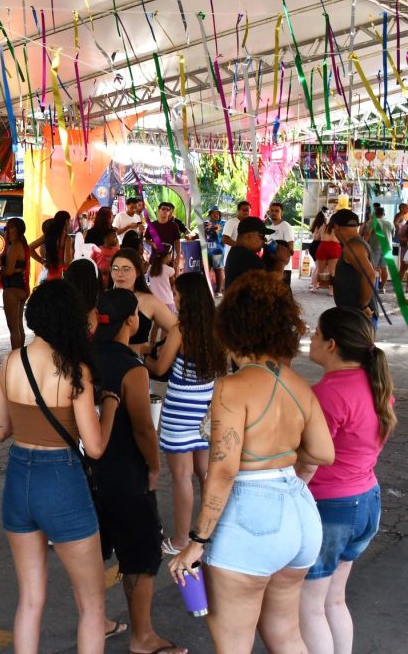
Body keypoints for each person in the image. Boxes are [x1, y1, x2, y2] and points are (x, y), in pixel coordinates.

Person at [168, 271, 334, 652]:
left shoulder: (232, 387)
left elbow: (224, 471)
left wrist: (197, 541)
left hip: (251, 517)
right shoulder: (299, 385)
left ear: (230, 325)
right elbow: (324, 453)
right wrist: (279, 452)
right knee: (287, 635)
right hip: (300, 516)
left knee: (234, 643)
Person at [0, 279, 119, 654]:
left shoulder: (11, 361)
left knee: (31, 599)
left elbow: (0, 430)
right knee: (92, 605)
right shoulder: (75, 370)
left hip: (18, 477)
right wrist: (110, 407)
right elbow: (95, 448)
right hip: (61, 480)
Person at [90, 289, 186, 654]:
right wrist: (155, 466)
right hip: (126, 474)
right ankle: (142, 637)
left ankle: (95, 623)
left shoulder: (80, 356)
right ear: (132, 320)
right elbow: (145, 428)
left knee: (92, 555)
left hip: (87, 473)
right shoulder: (132, 369)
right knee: (141, 557)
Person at [299, 307, 396, 654]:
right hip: (367, 501)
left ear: (332, 345)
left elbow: (309, 462)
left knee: (309, 606)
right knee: (334, 601)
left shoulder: (327, 394)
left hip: (331, 509)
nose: (310, 338)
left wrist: (290, 490)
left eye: (316, 333)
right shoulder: (376, 384)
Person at [154, 272, 227, 555]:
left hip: (179, 411)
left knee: (182, 476)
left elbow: (160, 368)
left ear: (187, 298)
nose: (173, 298)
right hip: (206, 410)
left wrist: (145, 355)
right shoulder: (217, 328)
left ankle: (182, 540)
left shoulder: (181, 330)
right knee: (205, 473)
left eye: (176, 294)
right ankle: (212, 532)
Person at [108, 249, 177, 359]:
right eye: (115, 268)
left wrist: (160, 354)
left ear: (138, 272)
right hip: (104, 365)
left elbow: (178, 330)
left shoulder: (148, 301)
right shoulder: (102, 299)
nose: (119, 274)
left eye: (126, 269)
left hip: (137, 364)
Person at [330, 209, 379, 322]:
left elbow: (370, 275)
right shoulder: (357, 243)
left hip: (358, 316)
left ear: (337, 227)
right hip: (354, 313)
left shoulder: (353, 247)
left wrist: (363, 307)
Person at [1, 217, 30, 350]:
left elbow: (8, 271)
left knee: (13, 328)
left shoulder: (14, 246)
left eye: (10, 228)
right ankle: (20, 355)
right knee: (18, 326)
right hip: (21, 286)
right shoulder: (21, 244)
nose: (7, 230)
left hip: (12, 287)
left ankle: (16, 356)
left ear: (17, 230)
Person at [223, 216, 271, 289]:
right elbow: (272, 284)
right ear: (249, 236)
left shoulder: (236, 252)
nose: (265, 240)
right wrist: (281, 262)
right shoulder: (248, 257)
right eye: (262, 236)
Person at [30, 211, 72, 280]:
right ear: (66, 221)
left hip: (50, 274)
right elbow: (67, 262)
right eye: (70, 221)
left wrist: (42, 261)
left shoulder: (48, 236)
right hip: (62, 275)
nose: (70, 224)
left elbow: (30, 248)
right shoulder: (66, 238)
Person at [146, 243, 177, 314]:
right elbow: (174, 286)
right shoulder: (169, 270)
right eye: (171, 254)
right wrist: (176, 269)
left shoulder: (151, 268)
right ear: (168, 256)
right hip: (167, 301)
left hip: (154, 302)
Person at [204, 208, 226, 295]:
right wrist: (193, 237)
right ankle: (206, 290)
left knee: (218, 269)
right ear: (210, 215)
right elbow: (201, 234)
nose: (216, 215)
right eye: (214, 213)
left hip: (218, 250)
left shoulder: (222, 223)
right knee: (206, 270)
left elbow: (218, 229)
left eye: (218, 214)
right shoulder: (206, 223)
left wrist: (211, 226)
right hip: (207, 250)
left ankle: (218, 290)